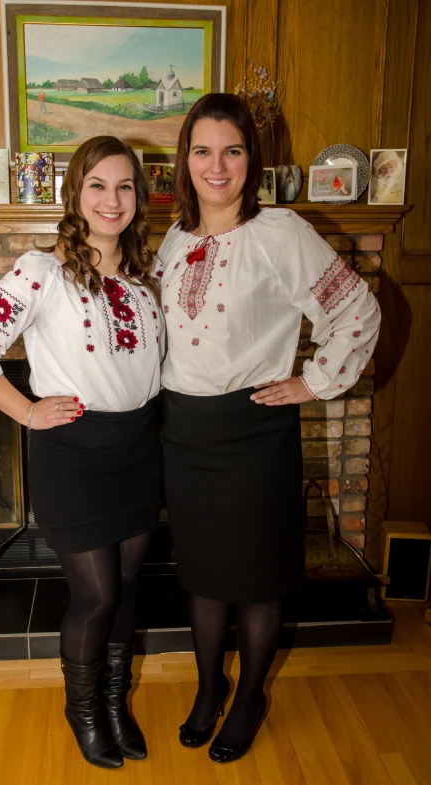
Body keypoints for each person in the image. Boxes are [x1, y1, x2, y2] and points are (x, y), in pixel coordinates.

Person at [158, 93, 381, 763]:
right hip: (185, 432)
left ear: (252, 159)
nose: (216, 165)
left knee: (255, 577)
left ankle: (250, 693)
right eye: (203, 150)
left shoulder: (281, 233)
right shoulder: (173, 236)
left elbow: (359, 311)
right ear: (185, 159)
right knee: (202, 574)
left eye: (232, 149)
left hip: (254, 432)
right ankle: (208, 687)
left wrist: (312, 381)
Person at [0, 136, 165, 770]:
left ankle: (118, 702)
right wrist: (27, 411)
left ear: (138, 197)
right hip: (73, 453)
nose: (111, 199)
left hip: (138, 450)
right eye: (97, 185)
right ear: (75, 193)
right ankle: (84, 710)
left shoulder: (146, 276)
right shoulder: (39, 270)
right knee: (95, 598)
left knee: (125, 590)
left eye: (125, 186)